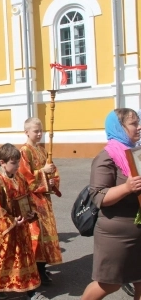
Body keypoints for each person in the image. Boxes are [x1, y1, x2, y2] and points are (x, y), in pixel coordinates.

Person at [81, 108, 141, 299]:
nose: (139, 127)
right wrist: (127, 187)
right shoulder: (107, 156)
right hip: (116, 235)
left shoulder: (134, 152)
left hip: (136, 228)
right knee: (110, 284)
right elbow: (99, 196)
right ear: (119, 127)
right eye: (133, 124)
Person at [0, 143, 47, 300]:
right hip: (2, 230)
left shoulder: (19, 178)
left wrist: (30, 212)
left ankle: (30, 290)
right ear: (2, 162)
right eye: (13, 163)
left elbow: (27, 197)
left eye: (18, 162)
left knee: (24, 258)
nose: (17, 165)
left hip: (21, 226)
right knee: (2, 259)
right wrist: (11, 221)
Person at [18, 117, 62, 285]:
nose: (39, 134)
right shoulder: (24, 151)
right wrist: (43, 172)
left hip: (44, 199)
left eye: (40, 130)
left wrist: (51, 180)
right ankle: (35, 269)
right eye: (36, 131)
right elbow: (24, 177)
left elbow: (53, 170)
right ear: (27, 131)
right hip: (33, 201)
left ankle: (42, 268)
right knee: (35, 236)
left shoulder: (43, 151)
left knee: (46, 235)